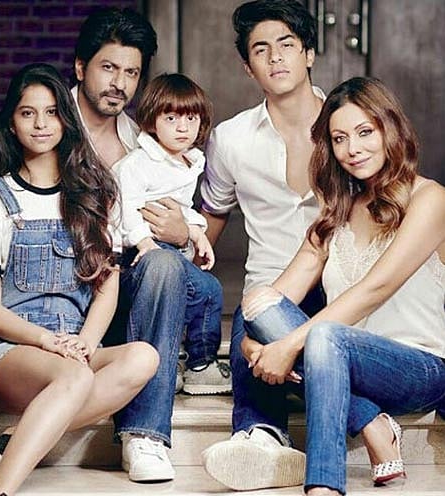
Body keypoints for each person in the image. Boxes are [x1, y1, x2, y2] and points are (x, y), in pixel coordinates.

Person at [0, 6, 187, 482]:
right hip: (19, 327)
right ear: (80, 67)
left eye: (131, 72)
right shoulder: (14, 160)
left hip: (99, 301)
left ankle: (142, 433)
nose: (119, 82)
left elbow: (145, 247)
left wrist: (182, 231)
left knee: (167, 269)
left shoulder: (145, 147)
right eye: (108, 67)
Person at [235, 76, 445, 495]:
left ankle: (324, 486)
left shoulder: (430, 198)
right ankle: (369, 420)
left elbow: (376, 288)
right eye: (340, 138)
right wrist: (250, 344)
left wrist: (287, 346)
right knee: (258, 301)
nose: (353, 149)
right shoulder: (337, 211)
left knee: (324, 335)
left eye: (365, 132)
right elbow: (271, 301)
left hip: (420, 369)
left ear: (390, 129)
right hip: (338, 367)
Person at [0, 62, 159, 496]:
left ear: (66, 120)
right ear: (12, 123)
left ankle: (17, 440)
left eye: (51, 112)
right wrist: (48, 342)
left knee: (143, 357)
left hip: (73, 347)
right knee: (76, 377)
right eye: (27, 113)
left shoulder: (95, 194)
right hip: (10, 351)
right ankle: (0, 492)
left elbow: (106, 286)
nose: (40, 124)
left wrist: (85, 343)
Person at [200, 0, 324, 490]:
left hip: (341, 285)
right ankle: (262, 435)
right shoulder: (231, 139)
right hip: (269, 288)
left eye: (287, 45)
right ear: (248, 67)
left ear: (308, 53)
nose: (275, 57)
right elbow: (213, 214)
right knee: (254, 317)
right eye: (261, 49)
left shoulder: (349, 125)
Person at [116, 73, 231, 395]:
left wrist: (196, 232)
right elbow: (125, 208)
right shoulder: (137, 164)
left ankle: (200, 366)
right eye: (171, 119)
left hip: (170, 248)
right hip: (137, 253)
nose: (183, 128)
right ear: (152, 121)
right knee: (190, 289)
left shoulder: (188, 161)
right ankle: (167, 366)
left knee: (209, 291)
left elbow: (182, 207)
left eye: (191, 119)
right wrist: (144, 242)